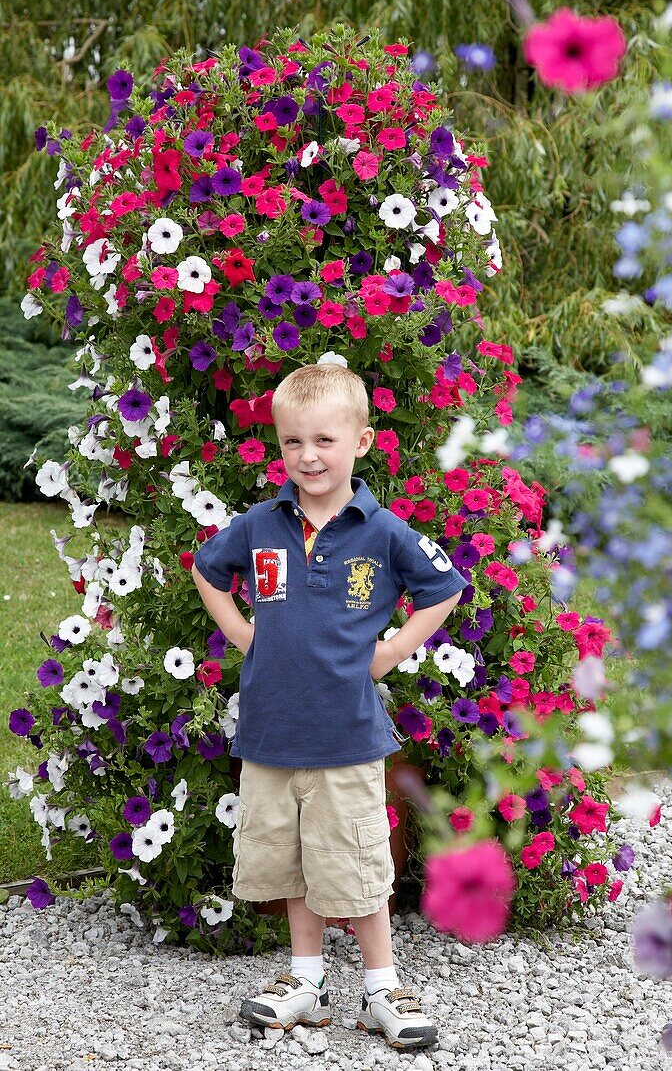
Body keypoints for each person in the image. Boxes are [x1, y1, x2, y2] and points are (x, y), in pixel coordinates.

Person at [192, 363, 467, 1049]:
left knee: (353, 861)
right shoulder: (258, 524)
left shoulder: (383, 532)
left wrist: (390, 651)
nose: (307, 456)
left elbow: (445, 588)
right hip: (270, 731)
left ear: (362, 442)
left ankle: (381, 988)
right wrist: (237, 632)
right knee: (290, 861)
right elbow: (207, 568)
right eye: (291, 442)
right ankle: (305, 980)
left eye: (323, 440)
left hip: (345, 735)